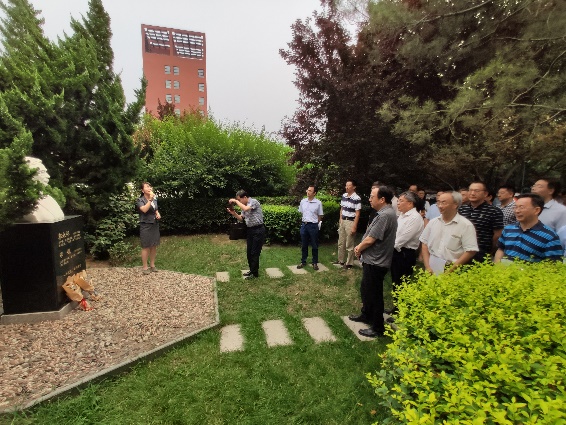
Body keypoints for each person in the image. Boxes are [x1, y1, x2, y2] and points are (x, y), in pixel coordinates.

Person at [348, 186, 398, 338]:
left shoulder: (385, 215)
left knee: (374, 295)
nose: (369, 199)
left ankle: (377, 327)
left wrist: (359, 248)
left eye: (372, 197)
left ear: (382, 199)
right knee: (366, 290)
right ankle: (366, 314)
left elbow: (371, 239)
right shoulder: (384, 213)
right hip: (372, 260)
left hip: (376, 262)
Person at [420, 191, 478, 274]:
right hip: (432, 264)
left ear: (455, 205)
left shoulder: (466, 225)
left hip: (452, 268)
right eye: (438, 202)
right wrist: (427, 266)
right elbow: (424, 243)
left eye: (444, 203)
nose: (440, 206)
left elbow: (470, 251)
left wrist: (450, 270)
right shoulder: (433, 222)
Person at [495, 193, 563, 263]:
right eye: (515, 207)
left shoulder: (550, 236)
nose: (517, 211)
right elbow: (501, 249)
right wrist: (497, 266)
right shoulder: (508, 229)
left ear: (536, 210)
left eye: (521, 207)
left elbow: (554, 264)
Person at [389, 191, 424, 316]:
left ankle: (401, 311)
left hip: (405, 254)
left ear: (410, 203)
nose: (398, 203)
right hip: (396, 252)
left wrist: (388, 247)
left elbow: (402, 239)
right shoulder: (402, 215)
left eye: (401, 201)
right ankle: (396, 308)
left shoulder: (415, 218)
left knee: (402, 282)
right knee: (396, 281)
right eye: (398, 200)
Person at [458, 181, 504, 262]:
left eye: (476, 191)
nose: (472, 193)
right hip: (461, 251)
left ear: (485, 194)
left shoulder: (494, 211)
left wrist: (490, 251)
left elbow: (497, 234)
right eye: (470, 190)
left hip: (481, 252)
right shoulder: (462, 209)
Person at [227, 190, 265, 279]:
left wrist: (235, 201)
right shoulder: (244, 205)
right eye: (238, 200)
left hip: (258, 230)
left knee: (254, 252)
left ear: (245, 197)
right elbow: (241, 218)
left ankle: (254, 274)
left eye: (239, 200)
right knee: (249, 252)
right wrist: (234, 213)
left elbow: (246, 209)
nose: (239, 202)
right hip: (250, 230)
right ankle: (252, 270)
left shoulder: (253, 202)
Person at [21, 157, 65, 223]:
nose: (48, 176)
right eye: (42, 172)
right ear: (28, 175)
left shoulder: (48, 198)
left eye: (45, 172)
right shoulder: (22, 205)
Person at [531, 178, 566, 254]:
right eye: (533, 186)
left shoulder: (561, 211)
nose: (533, 188)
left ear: (551, 191)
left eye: (539, 186)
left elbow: (562, 238)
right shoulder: (528, 208)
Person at [333, 180, 362, 269]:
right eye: (346, 185)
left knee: (349, 243)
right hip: (343, 220)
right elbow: (342, 209)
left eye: (349, 185)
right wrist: (340, 219)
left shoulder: (357, 198)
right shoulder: (344, 196)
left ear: (354, 187)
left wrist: (354, 226)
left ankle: (349, 263)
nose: (347, 187)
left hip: (350, 221)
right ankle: (340, 260)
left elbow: (357, 214)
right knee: (341, 242)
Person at [136, 182, 161, 275]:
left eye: (150, 186)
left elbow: (155, 209)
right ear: (142, 190)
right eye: (147, 186)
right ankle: (145, 267)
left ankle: (152, 265)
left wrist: (157, 213)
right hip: (145, 225)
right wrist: (150, 199)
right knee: (146, 246)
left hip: (154, 224)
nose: (149, 188)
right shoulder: (140, 200)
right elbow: (144, 209)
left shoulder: (154, 198)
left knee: (153, 245)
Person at [297, 185, 324, 270]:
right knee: (304, 244)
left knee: (314, 244)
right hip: (304, 225)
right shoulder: (303, 201)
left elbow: (320, 215)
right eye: (307, 190)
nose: (308, 192)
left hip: (313, 225)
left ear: (314, 193)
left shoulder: (318, 203)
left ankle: (315, 262)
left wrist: (316, 224)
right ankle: (303, 261)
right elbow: (302, 212)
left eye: (310, 191)